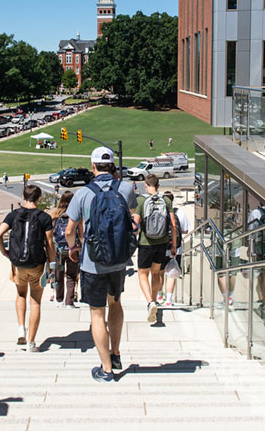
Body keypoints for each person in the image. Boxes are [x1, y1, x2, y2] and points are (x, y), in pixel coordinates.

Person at [64, 147, 137, 382]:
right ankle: (115, 352)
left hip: (92, 262)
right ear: (113, 166)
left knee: (97, 314)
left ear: (93, 166)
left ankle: (106, 369)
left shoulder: (83, 193)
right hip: (118, 261)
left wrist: (73, 249)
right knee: (115, 304)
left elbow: (69, 230)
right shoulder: (126, 189)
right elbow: (133, 220)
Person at [0, 184, 55, 352]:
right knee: (35, 302)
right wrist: (52, 265)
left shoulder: (14, 215)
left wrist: (4, 252)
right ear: (38, 198)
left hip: (18, 263)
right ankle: (31, 342)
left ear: (23, 196)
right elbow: (49, 243)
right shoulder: (44, 217)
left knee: (21, 294)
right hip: (37, 264)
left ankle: (21, 327)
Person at [133, 174, 177, 323]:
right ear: (158, 186)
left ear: (146, 185)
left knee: (142, 274)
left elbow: (135, 225)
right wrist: (174, 245)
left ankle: (150, 302)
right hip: (162, 242)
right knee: (156, 272)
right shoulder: (166, 200)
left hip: (146, 243)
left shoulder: (140, 200)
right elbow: (173, 225)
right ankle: (154, 299)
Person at [50, 191, 82, 308]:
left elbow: (50, 234)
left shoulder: (54, 215)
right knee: (71, 275)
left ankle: (59, 299)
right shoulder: (76, 215)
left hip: (58, 250)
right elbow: (81, 233)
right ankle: (69, 301)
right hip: (72, 248)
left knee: (58, 275)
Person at [161, 191, 189, 307]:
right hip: (176, 248)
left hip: (161, 246)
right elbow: (185, 230)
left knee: (160, 272)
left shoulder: (160, 212)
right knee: (171, 273)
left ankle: (158, 295)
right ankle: (168, 299)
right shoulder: (179, 212)